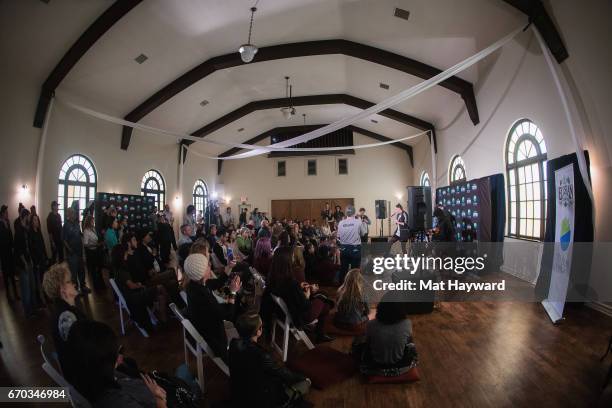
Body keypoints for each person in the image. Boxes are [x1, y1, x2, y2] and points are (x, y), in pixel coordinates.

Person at [64, 320, 168, 408]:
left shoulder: (85, 376)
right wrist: (160, 401)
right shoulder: (116, 401)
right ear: (102, 365)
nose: (120, 357)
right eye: (116, 353)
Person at [229, 313, 310, 408]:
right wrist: (304, 378)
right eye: (261, 326)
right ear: (259, 331)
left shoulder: (233, 344)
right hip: (260, 400)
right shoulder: (261, 355)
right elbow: (284, 374)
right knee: (305, 384)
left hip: (239, 395)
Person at [266, 246, 334, 343]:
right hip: (300, 316)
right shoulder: (290, 283)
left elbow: (288, 292)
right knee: (324, 299)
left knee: (323, 299)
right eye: (292, 256)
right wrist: (308, 294)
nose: (293, 258)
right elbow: (305, 306)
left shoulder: (272, 278)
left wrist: (299, 286)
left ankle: (320, 334)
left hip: (282, 313)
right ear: (287, 261)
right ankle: (320, 335)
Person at [184, 253, 241, 361]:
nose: (210, 265)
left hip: (207, 325)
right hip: (214, 338)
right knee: (237, 311)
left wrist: (229, 267)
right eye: (207, 265)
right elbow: (228, 315)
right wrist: (233, 292)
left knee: (236, 308)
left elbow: (218, 283)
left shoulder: (194, 285)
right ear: (201, 273)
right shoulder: (203, 295)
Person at [353, 292, 417, 377]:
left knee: (358, 342)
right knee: (411, 342)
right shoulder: (407, 323)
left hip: (374, 369)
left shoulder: (371, 324)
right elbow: (408, 342)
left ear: (381, 307)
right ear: (402, 309)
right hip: (402, 368)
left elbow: (367, 343)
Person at [115, 235, 168, 331]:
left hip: (138, 292)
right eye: (124, 254)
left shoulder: (124, 267)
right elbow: (131, 285)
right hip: (137, 296)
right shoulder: (122, 270)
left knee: (161, 294)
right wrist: (139, 285)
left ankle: (164, 318)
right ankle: (165, 317)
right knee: (161, 287)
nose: (126, 254)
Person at [42, 263, 86, 372]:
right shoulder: (65, 316)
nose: (74, 284)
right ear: (62, 290)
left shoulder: (65, 310)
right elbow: (82, 352)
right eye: (69, 281)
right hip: (84, 377)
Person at [14, 208, 36, 315]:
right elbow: (19, 250)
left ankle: (31, 308)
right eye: (28, 216)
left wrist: (30, 260)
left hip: (28, 260)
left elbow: (28, 247)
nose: (29, 218)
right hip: (23, 264)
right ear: (25, 216)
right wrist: (25, 263)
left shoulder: (26, 229)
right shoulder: (18, 231)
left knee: (31, 286)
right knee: (25, 288)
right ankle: (27, 311)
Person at [63, 208, 89, 294]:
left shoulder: (77, 224)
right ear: (68, 215)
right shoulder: (66, 226)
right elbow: (64, 240)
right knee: (73, 272)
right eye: (72, 213)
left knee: (81, 270)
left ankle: (83, 286)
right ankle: (75, 289)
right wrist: (69, 249)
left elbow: (80, 234)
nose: (74, 215)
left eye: (74, 213)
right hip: (72, 253)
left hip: (79, 251)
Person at [336, 205, 363, 284]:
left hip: (344, 248)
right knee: (355, 271)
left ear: (346, 213)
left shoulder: (341, 223)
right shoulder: (358, 221)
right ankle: (354, 288)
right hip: (355, 249)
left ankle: (342, 287)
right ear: (354, 213)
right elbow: (363, 233)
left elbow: (338, 236)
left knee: (343, 269)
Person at [28, 212, 47, 305]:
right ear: (31, 222)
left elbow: (43, 245)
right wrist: (36, 262)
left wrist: (46, 257)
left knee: (44, 279)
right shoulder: (30, 233)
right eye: (34, 220)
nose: (36, 222)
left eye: (37, 220)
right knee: (36, 282)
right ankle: (38, 300)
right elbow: (31, 249)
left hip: (42, 259)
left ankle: (46, 296)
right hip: (36, 262)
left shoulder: (39, 232)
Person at [83, 216, 105, 291]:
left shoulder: (93, 229)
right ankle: (97, 287)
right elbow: (85, 244)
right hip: (91, 253)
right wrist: (96, 245)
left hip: (96, 251)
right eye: (92, 221)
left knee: (99, 269)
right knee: (94, 271)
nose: (93, 222)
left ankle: (101, 285)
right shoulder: (86, 231)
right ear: (89, 222)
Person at [0, 205, 17, 300]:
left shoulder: (8, 222)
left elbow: (10, 236)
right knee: (6, 275)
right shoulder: (0, 224)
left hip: (9, 252)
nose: (7, 214)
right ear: (2, 213)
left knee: (12, 273)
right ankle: (8, 294)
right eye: (6, 212)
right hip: (3, 253)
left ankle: (15, 293)